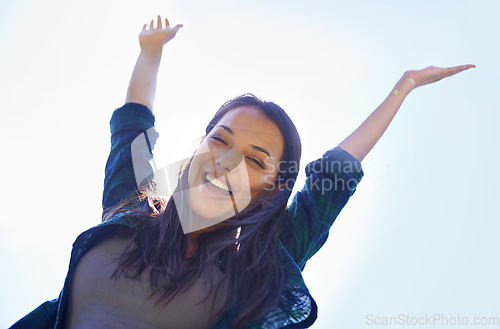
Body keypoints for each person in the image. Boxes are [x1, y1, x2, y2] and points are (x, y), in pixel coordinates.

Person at [10, 15, 475, 329]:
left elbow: (333, 175)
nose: (227, 162)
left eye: (255, 160)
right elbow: (131, 128)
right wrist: (150, 53)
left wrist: (403, 87)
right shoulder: (131, 211)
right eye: (221, 140)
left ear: (272, 189)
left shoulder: (261, 266)